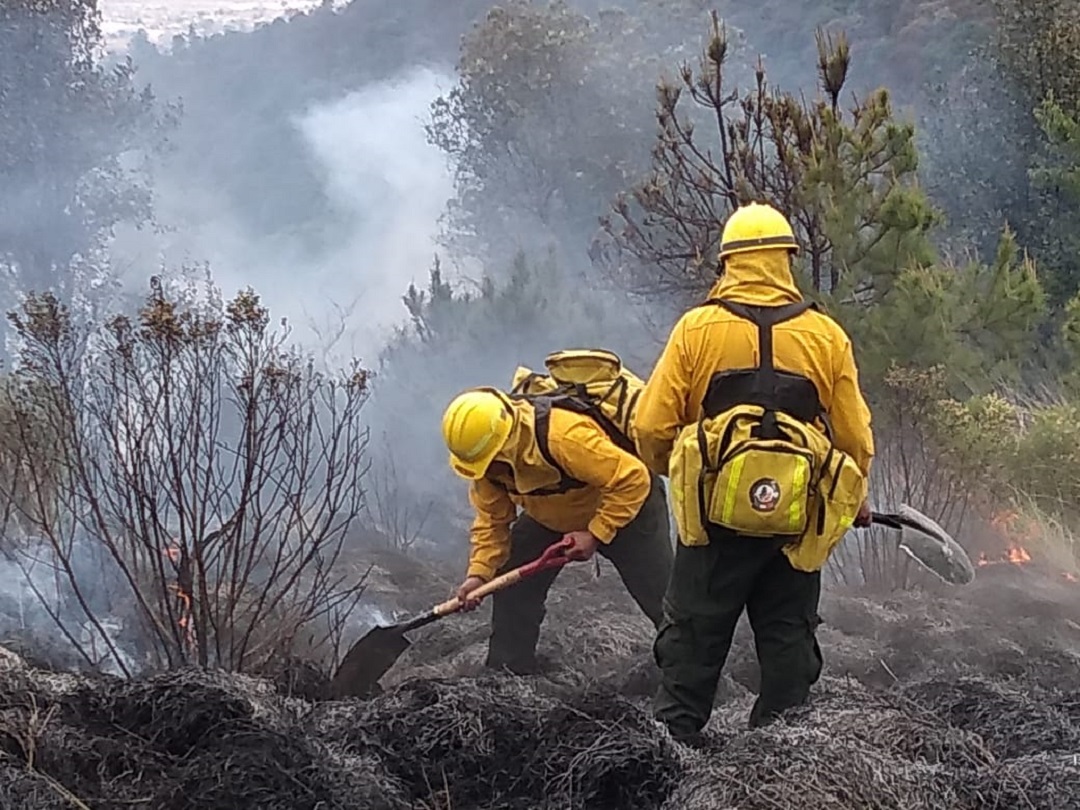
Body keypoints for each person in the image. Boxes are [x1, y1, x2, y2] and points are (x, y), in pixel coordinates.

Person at [633, 201, 875, 740]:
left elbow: (650, 427)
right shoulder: (826, 335)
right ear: (788, 260)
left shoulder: (696, 329)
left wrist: (687, 475)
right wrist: (853, 495)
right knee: (789, 646)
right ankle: (778, 756)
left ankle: (674, 752)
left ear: (727, 263)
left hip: (711, 528)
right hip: (796, 524)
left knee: (691, 644)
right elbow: (856, 437)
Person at [442, 385, 674, 675]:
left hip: (626, 505)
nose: (489, 472)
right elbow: (492, 522)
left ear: (506, 441)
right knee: (513, 584)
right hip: (552, 514)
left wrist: (596, 533)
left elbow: (633, 479)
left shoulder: (564, 437)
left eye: (491, 463)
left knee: (666, 600)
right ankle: (507, 674)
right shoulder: (485, 466)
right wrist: (478, 574)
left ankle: (689, 676)